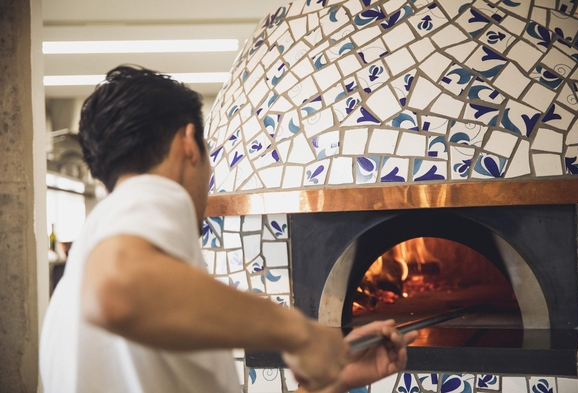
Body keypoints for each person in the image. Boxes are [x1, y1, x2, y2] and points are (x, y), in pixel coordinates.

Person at [39, 65, 418, 393]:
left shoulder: (78, 279)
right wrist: (299, 332)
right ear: (189, 144)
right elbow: (115, 289)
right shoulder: (152, 194)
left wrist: (333, 382)